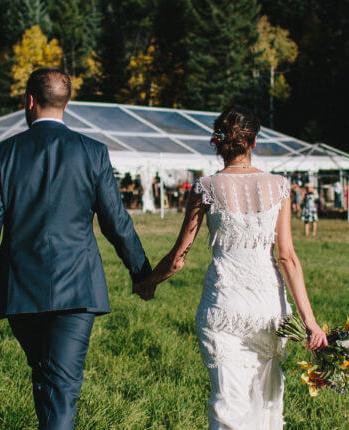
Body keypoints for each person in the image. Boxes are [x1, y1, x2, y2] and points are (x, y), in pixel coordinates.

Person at [0, 68, 152, 430]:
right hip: (78, 288)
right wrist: (141, 273)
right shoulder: (93, 152)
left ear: (29, 102)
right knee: (58, 386)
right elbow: (116, 222)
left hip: (20, 290)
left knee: (48, 378)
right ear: (67, 104)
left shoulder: (4, 154)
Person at [133, 106, 328, 429]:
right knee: (265, 400)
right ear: (254, 142)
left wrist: (149, 283)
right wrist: (310, 322)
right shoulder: (279, 186)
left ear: (218, 143)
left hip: (224, 306)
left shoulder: (205, 188)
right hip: (269, 308)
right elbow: (287, 257)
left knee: (227, 403)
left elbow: (178, 257)